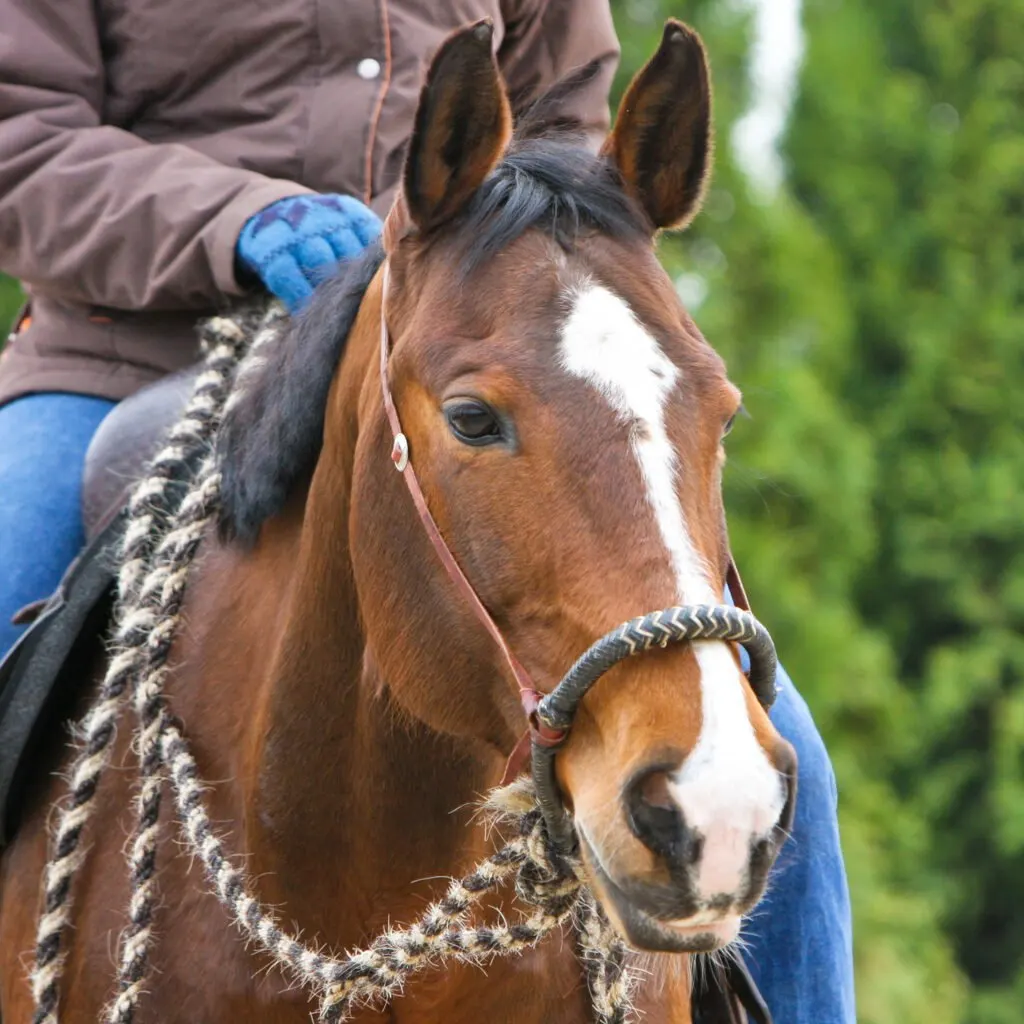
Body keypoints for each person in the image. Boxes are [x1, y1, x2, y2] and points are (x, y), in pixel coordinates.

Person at [0, 1, 855, 1019]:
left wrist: (489, 255)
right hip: (125, 354)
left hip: (465, 359)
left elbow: (567, 121)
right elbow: (21, 132)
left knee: (771, 756)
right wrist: (236, 221)